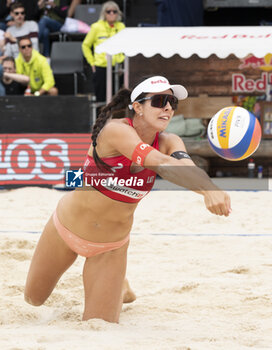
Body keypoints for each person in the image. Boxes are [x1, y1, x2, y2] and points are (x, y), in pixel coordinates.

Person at [24, 75, 231, 323]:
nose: (168, 107)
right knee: (33, 300)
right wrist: (208, 189)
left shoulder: (170, 142)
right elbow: (161, 163)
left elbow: (184, 167)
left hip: (110, 248)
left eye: (172, 103)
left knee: (98, 326)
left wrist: (208, 188)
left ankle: (118, 285)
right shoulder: (115, 131)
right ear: (137, 107)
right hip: (65, 230)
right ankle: (118, 283)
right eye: (160, 101)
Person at [82, 1, 125, 102]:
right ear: (104, 13)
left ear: (118, 13)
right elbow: (85, 45)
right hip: (102, 66)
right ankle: (102, 117)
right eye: (108, 11)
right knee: (101, 97)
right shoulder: (96, 27)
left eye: (114, 11)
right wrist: (91, 62)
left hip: (117, 66)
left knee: (118, 97)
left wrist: (123, 62)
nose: (111, 14)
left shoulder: (121, 27)